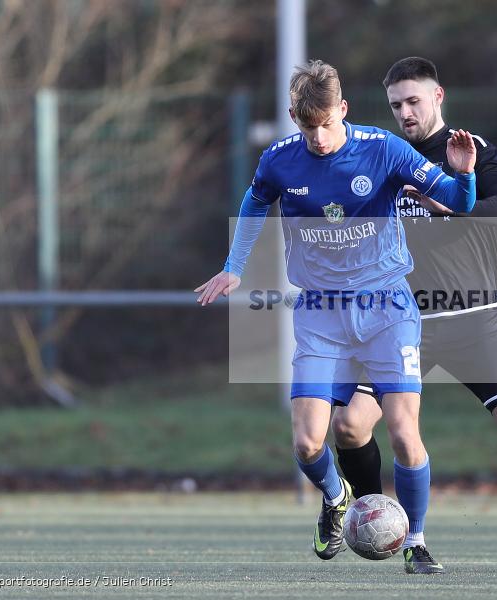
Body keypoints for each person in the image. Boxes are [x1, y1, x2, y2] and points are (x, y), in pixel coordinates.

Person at [195, 60, 478, 574]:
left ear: (342, 110)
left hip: (388, 307)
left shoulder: (384, 149)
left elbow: (458, 201)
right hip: (320, 313)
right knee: (307, 442)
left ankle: (416, 542)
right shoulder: (280, 160)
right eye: (308, 127)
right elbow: (255, 201)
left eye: (327, 123)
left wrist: (465, 172)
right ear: (293, 118)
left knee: (403, 431)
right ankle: (335, 496)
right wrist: (234, 267)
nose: (320, 137)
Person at [329, 56, 497, 573]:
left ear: (438, 96)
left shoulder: (468, 151)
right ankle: (388, 526)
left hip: (470, 317)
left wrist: (453, 202)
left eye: (413, 101)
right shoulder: (382, 155)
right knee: (348, 426)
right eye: (395, 105)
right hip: (398, 321)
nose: (405, 113)